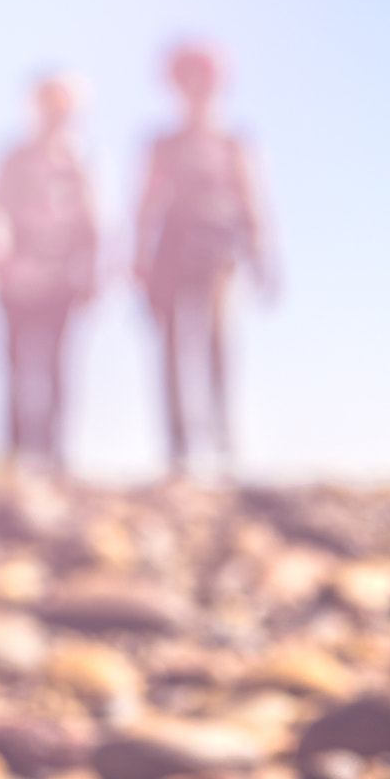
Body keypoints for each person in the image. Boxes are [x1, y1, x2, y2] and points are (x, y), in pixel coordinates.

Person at [132, 42, 274, 476]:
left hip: (219, 254)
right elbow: (148, 202)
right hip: (172, 254)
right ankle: (179, 449)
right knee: (174, 347)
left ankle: (223, 439)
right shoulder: (163, 144)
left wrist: (263, 256)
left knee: (217, 344)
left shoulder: (234, 143)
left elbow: (253, 200)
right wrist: (138, 257)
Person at [0, 74, 99, 473]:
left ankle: (54, 454)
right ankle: (15, 454)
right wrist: (0, 266)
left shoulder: (82, 163)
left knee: (59, 367)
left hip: (62, 281)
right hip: (17, 279)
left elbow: (95, 222)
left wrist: (91, 274)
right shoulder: (13, 160)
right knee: (16, 366)